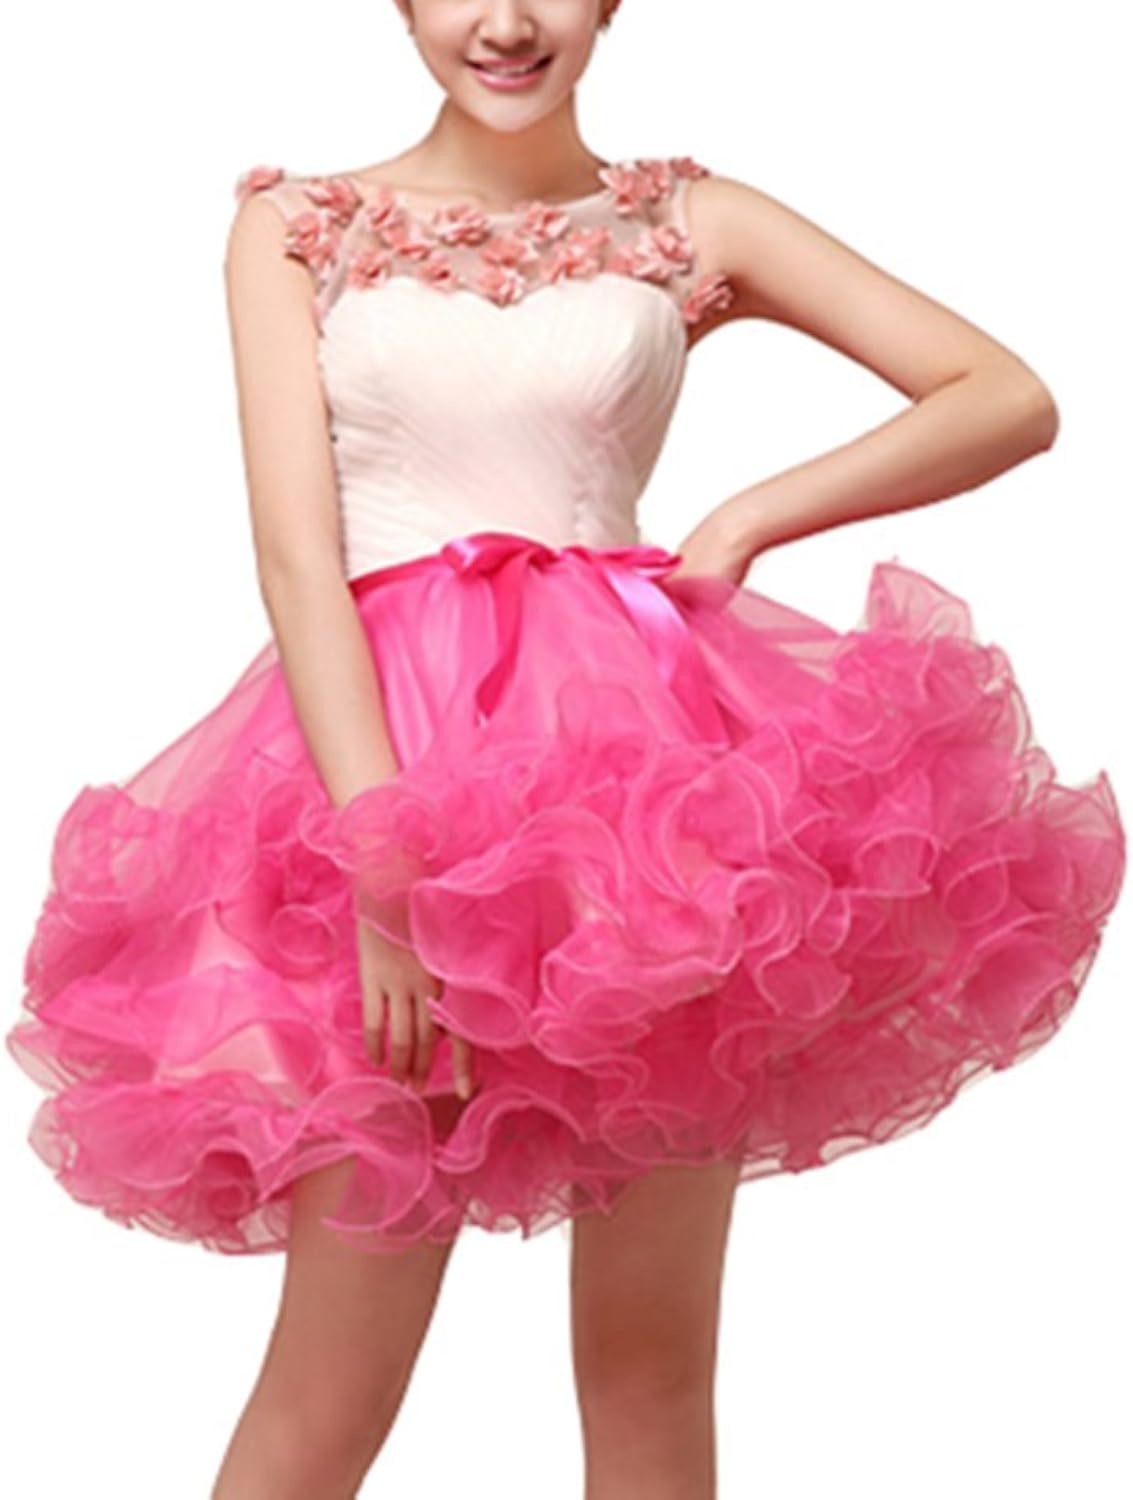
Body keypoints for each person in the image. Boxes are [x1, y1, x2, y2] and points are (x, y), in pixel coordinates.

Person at [5, 1, 1126, 1496]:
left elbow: (1004, 396)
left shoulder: (687, 220)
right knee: (329, 1389)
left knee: (649, 1366)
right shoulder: (298, 227)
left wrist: (742, 519)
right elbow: (296, 562)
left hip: (641, 791)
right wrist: (385, 865)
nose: (507, 21)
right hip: (383, 768)